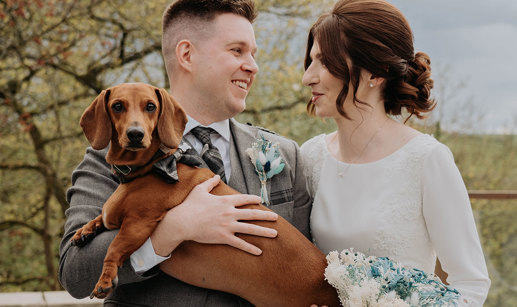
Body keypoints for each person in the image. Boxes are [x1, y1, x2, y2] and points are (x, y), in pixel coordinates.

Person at [58, 0, 312, 306]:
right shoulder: (111, 158)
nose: (252, 66)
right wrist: (172, 230)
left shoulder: (285, 155)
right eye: (237, 51)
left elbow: (305, 267)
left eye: (253, 55)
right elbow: (74, 272)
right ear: (187, 55)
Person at [300, 0, 490, 306]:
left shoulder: (426, 160)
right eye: (310, 62)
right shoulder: (309, 158)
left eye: (323, 62)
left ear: (375, 73)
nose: (307, 77)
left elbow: (470, 282)